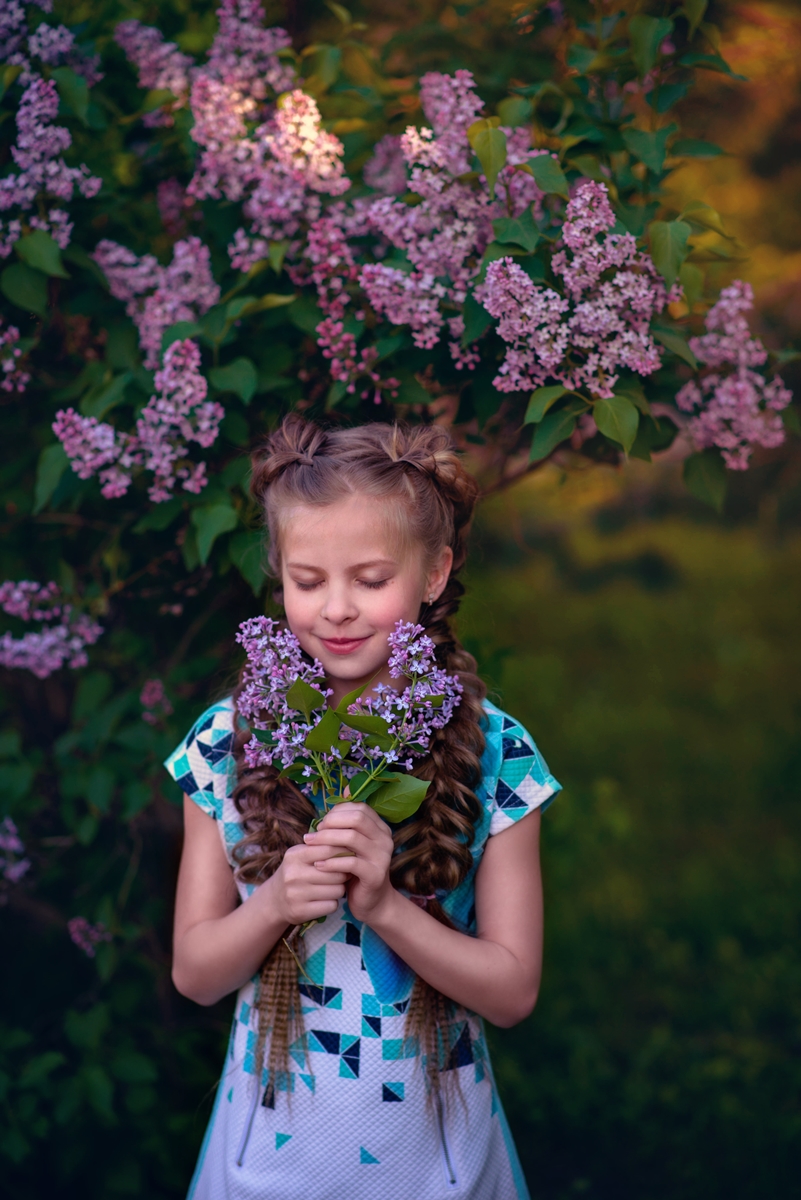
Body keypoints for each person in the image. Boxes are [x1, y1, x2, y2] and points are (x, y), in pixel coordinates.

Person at [166, 416, 561, 1200]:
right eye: (306, 581)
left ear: (436, 572)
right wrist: (276, 901)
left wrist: (386, 907)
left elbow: (512, 993)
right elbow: (194, 974)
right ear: (277, 576)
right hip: (268, 1157)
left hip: (436, 1159)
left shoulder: (495, 754)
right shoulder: (224, 742)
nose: (336, 608)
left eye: (371, 580)